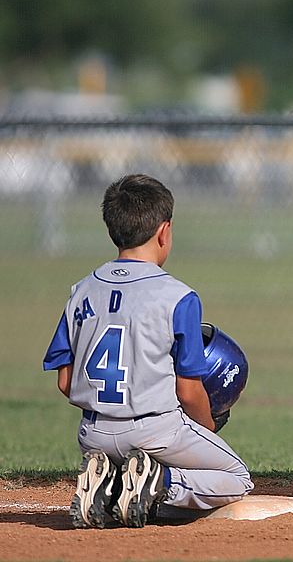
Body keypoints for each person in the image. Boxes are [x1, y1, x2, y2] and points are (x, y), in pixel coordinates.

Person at [43, 174, 254, 528]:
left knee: (138, 460)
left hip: (92, 434)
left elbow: (66, 382)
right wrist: (205, 428)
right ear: (164, 231)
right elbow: (188, 390)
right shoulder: (177, 296)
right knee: (236, 478)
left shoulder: (80, 291)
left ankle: (111, 484)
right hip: (154, 430)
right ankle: (159, 482)